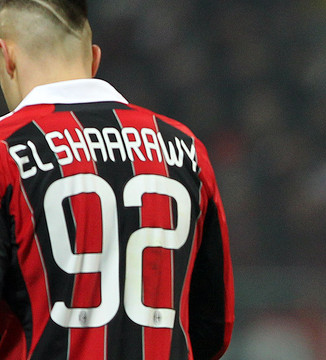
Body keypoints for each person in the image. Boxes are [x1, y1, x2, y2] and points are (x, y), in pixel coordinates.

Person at [0, 0, 234, 359]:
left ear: (7, 57)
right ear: (94, 59)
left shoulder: (6, 150)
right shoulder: (186, 150)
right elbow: (212, 328)